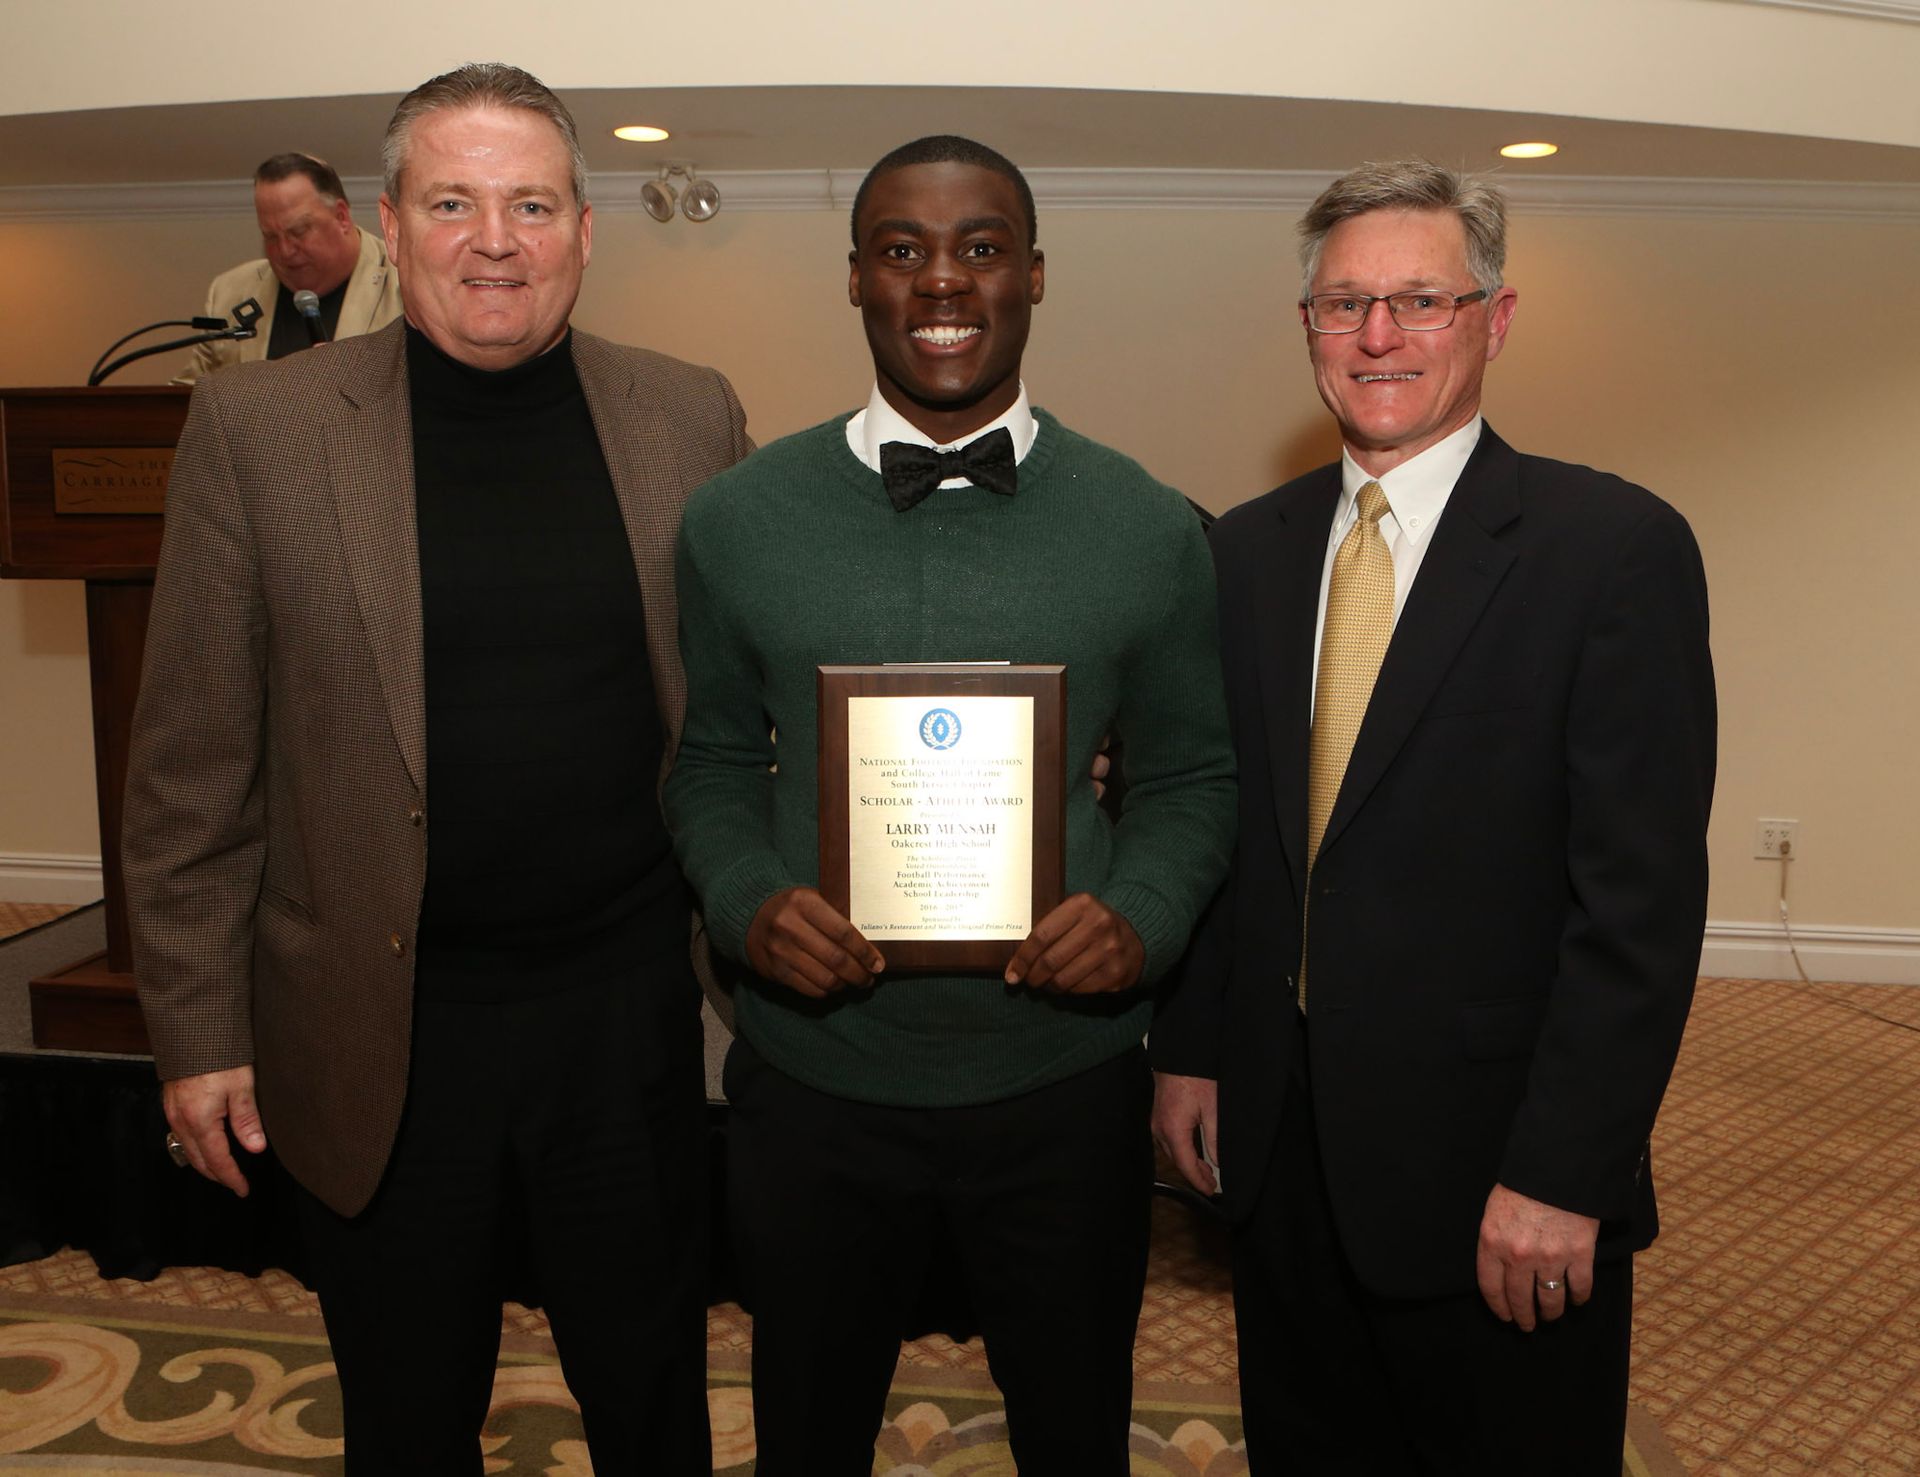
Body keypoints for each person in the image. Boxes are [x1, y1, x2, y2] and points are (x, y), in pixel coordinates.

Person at [124, 63, 749, 1474]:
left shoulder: (688, 416)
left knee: (653, 1400)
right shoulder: (256, 433)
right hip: (379, 1030)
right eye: (454, 202)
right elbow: (188, 770)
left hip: (621, 1019)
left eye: (532, 203)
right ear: (388, 229)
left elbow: (749, 702)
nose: (496, 239)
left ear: (586, 231)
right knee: (408, 1418)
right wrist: (199, 1031)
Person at [664, 135, 1237, 1473]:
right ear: (855, 279)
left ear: (1034, 276)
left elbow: (1195, 776)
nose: (944, 283)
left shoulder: (1148, 524)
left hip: (1062, 1085)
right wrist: (748, 905)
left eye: (981, 248)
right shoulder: (736, 519)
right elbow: (703, 767)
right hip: (815, 1083)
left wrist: (1138, 916)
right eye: (903, 249)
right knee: (807, 1432)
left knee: (1074, 1430)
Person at [1150, 159, 1716, 1475]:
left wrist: (1566, 1171)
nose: (1379, 337)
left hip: (1497, 1183)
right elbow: (1236, 825)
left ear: (1495, 320)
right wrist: (1189, 1046)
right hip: (1282, 1156)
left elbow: (1636, 908)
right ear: (1308, 329)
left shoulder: (1611, 550)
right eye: (1343, 306)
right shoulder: (1245, 549)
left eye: (1419, 300)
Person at [174, 152, 402, 383]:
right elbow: (187, 399)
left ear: (341, 217)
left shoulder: (404, 281)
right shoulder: (229, 292)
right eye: (270, 236)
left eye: (298, 231)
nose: (285, 251)